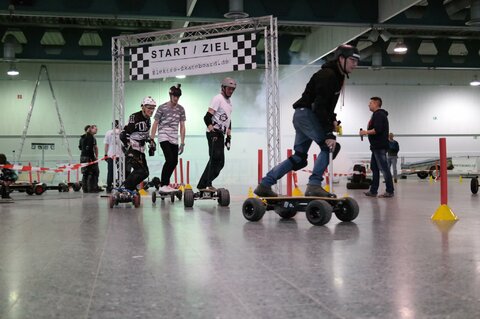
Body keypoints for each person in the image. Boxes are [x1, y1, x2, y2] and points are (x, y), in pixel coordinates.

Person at [254, 44, 360, 197]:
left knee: (299, 158)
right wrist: (329, 133)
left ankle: (265, 184)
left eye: (357, 61)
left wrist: (333, 119)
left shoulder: (336, 75)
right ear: (341, 59)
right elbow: (319, 106)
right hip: (308, 115)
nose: (355, 64)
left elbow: (325, 106)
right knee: (330, 146)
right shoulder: (328, 75)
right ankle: (314, 185)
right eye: (352, 60)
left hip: (303, 115)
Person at [196, 77, 236, 191]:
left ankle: (203, 184)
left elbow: (229, 121)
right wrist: (212, 131)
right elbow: (207, 117)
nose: (231, 91)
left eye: (233, 89)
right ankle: (206, 183)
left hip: (221, 134)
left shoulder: (229, 102)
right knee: (215, 158)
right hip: (214, 133)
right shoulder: (217, 99)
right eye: (229, 89)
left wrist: (229, 137)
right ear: (223, 88)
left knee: (221, 162)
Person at [150, 84, 186, 193]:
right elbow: (155, 123)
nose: (176, 98)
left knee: (174, 162)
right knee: (169, 159)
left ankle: (165, 184)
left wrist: (183, 142)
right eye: (174, 96)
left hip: (174, 137)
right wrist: (151, 139)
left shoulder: (181, 109)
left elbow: (182, 126)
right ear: (170, 95)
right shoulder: (162, 107)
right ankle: (164, 184)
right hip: (163, 135)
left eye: (178, 97)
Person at [360, 97, 394, 198]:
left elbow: (377, 129)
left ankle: (390, 191)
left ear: (376, 104)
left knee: (384, 169)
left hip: (379, 147)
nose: (368, 105)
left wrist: (365, 132)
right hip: (375, 147)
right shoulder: (376, 114)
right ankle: (373, 191)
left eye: (370, 103)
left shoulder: (379, 114)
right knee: (374, 168)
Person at [120, 96, 156, 191]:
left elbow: (144, 134)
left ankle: (130, 187)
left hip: (141, 149)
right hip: (132, 148)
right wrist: (127, 147)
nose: (151, 110)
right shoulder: (134, 117)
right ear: (143, 107)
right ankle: (126, 186)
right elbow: (124, 134)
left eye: (153, 108)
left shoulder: (148, 120)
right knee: (141, 171)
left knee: (145, 172)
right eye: (149, 108)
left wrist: (151, 141)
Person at [80, 124, 101, 193]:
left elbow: (80, 147)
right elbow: (93, 148)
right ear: (90, 129)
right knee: (93, 172)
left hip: (82, 157)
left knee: (85, 173)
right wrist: (94, 158)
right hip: (89, 157)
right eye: (95, 129)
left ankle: (85, 189)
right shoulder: (92, 137)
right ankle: (92, 188)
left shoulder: (82, 137)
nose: (96, 130)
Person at [104, 120, 123, 193]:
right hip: (120, 155)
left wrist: (105, 154)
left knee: (110, 171)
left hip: (111, 155)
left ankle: (109, 187)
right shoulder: (122, 132)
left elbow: (106, 145)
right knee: (121, 171)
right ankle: (120, 185)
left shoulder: (108, 132)